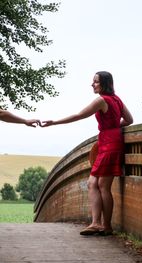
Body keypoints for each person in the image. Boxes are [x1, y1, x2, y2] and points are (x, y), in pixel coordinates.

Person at [41, 71, 133, 235]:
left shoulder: (101, 100)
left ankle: (105, 226)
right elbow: (129, 120)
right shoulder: (117, 99)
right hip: (109, 141)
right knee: (93, 183)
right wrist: (113, 127)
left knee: (103, 186)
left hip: (109, 143)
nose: (92, 84)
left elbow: (79, 115)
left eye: (96, 82)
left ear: (104, 83)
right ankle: (97, 223)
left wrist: (54, 122)